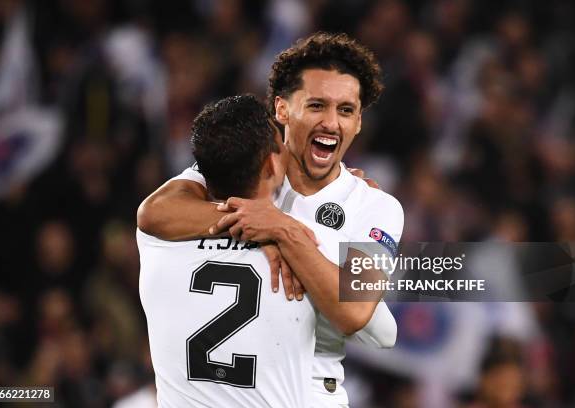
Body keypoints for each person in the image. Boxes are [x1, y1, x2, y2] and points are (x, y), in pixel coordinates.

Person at [138, 33, 403, 407]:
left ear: (359, 121)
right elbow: (155, 212)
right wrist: (260, 222)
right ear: (282, 109)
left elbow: (356, 311)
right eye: (316, 105)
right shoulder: (242, 164)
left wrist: (280, 229)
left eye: (345, 110)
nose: (331, 122)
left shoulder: (372, 206)